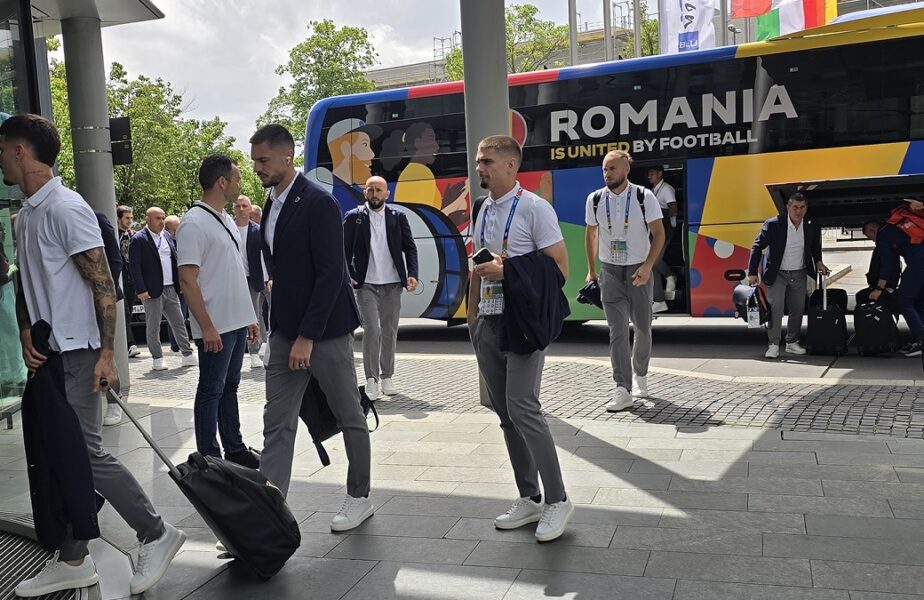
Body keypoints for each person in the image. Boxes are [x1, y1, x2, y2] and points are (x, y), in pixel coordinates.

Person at [6, 113, 185, 598]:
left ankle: (155, 532)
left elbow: (104, 286)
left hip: (81, 353)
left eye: (2, 148)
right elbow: (26, 280)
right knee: (55, 455)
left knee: (84, 453)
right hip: (48, 353)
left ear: (21, 152)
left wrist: (109, 356)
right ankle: (73, 557)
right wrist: (25, 328)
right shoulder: (27, 215)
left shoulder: (66, 209)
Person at [251, 124, 372, 532]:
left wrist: (307, 336)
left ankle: (359, 496)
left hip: (325, 330)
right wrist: (279, 332)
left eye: (263, 160)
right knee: (276, 422)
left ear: (288, 157)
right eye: (254, 161)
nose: (257, 168)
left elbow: (329, 274)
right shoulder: (271, 204)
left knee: (348, 414)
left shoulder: (318, 203)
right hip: (284, 330)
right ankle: (269, 515)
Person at [468, 135, 573, 542]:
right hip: (488, 323)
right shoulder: (481, 208)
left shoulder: (534, 208)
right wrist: (473, 316)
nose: (481, 168)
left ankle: (558, 500)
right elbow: (478, 262)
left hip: (523, 321)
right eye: (479, 161)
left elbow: (560, 268)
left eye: (488, 161)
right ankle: (529, 497)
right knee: (507, 415)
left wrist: (509, 270)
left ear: (511, 166)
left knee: (524, 407)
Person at [177, 155, 261, 468]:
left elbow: (234, 272)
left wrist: (249, 316)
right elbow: (187, 280)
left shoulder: (224, 219)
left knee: (230, 387)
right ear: (222, 181)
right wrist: (207, 327)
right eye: (236, 179)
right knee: (211, 389)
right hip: (216, 325)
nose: (240, 185)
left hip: (236, 321)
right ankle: (210, 457)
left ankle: (234, 448)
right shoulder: (193, 223)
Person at [585, 150, 665, 412]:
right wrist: (591, 270)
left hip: (638, 271)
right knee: (617, 332)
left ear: (626, 169)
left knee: (642, 327)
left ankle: (640, 373)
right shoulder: (595, 199)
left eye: (613, 169)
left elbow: (659, 234)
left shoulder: (644, 196)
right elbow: (591, 234)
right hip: (610, 272)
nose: (608, 174)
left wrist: (648, 265)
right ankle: (622, 388)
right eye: (605, 170)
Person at [343, 175, 419, 399]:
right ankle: (371, 380)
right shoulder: (354, 217)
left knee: (389, 331)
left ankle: (387, 377)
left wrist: (412, 274)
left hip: (393, 284)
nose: (374, 194)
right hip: (366, 284)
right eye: (370, 190)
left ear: (387, 194)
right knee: (372, 330)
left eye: (379, 190)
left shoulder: (398, 217)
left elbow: (410, 247)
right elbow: (342, 249)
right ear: (364, 192)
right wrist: (349, 274)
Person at [748, 192, 829, 359]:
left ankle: (792, 342)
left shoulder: (811, 224)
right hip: (777, 273)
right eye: (795, 207)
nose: (798, 211)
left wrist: (819, 262)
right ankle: (773, 345)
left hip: (799, 272)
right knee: (776, 309)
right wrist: (752, 272)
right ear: (788, 208)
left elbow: (814, 246)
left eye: (802, 207)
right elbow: (757, 246)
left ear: (806, 208)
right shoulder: (774, 224)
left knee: (798, 309)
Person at [129, 206, 197, 370]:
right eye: (158, 218)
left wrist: (179, 284)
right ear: (148, 219)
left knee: (179, 321)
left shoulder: (166, 236)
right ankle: (157, 358)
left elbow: (174, 261)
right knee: (153, 326)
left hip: (170, 288)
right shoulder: (139, 239)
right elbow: (135, 266)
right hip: (152, 290)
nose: (161, 221)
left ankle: (187, 354)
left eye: (162, 218)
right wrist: (141, 289)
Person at [869, 214, 924, 357]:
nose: (872, 240)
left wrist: (879, 289)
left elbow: (888, 264)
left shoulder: (882, 235)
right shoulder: (895, 228)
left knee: (904, 300)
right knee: (919, 302)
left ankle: (921, 341)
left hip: (918, 264)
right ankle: (920, 338)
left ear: (873, 230)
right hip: (919, 261)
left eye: (870, 236)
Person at [233, 194, 269, 368]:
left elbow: (267, 256)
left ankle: (254, 351)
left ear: (250, 208)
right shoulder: (228, 228)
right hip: (232, 279)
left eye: (244, 206)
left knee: (253, 315)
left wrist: (269, 277)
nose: (241, 209)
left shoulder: (258, 230)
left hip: (253, 278)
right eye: (238, 206)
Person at [647, 165, 677, 313]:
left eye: (652, 173)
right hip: (655, 228)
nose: (649, 176)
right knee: (651, 264)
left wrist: (671, 221)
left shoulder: (666, 189)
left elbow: (673, 207)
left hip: (664, 227)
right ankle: (659, 300)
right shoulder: (653, 190)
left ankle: (670, 276)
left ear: (660, 174)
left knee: (655, 260)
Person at [116, 205, 141, 359]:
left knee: (129, 313)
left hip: (131, 280)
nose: (130, 221)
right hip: (119, 279)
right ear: (118, 219)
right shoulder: (114, 235)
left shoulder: (133, 236)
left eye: (131, 218)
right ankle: (131, 344)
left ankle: (125, 344)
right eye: (127, 218)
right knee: (124, 312)